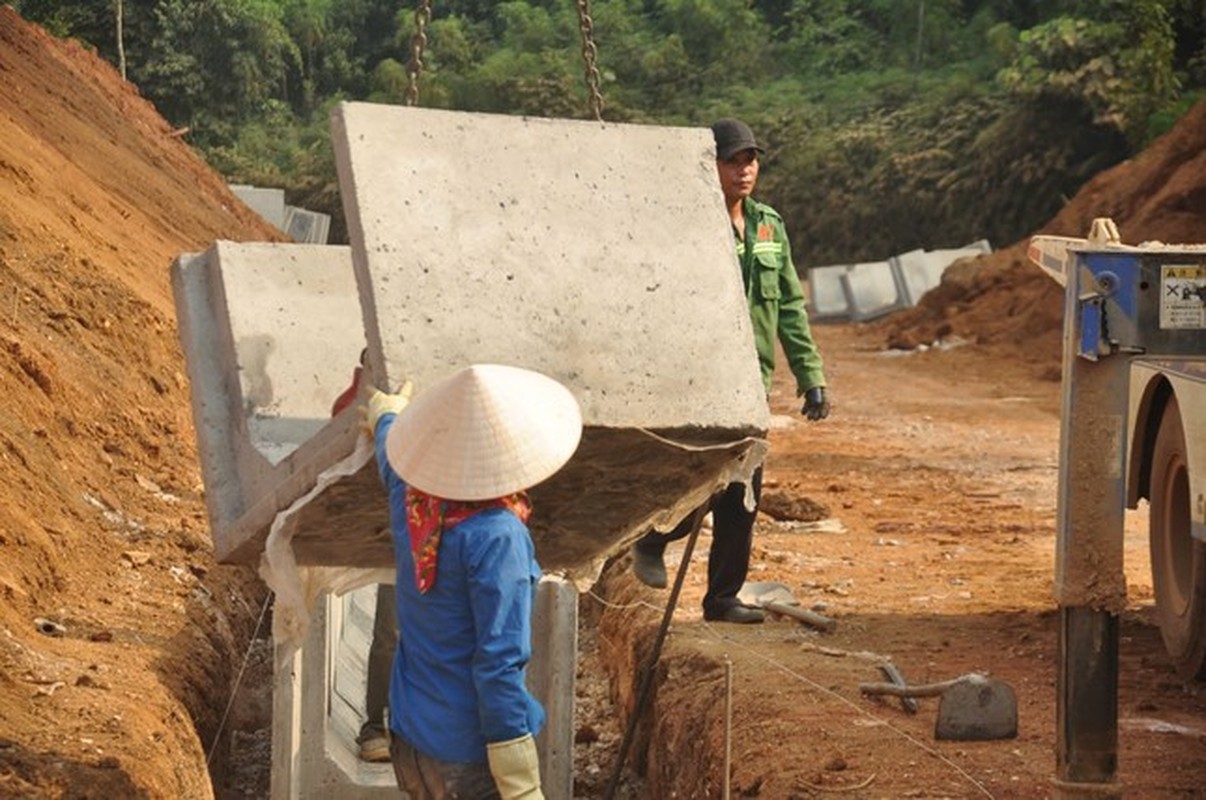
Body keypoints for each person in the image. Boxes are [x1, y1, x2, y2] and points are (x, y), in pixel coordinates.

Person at [630, 117, 830, 624]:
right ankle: (654, 538)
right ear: (710, 166)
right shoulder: (688, 227)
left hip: (751, 383)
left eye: (750, 160)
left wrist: (811, 376)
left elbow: (788, 306)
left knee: (744, 493)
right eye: (732, 160)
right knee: (711, 480)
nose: (744, 170)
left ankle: (721, 598)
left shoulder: (769, 226)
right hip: (699, 378)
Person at [362, 363, 583, 799]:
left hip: (411, 738)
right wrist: (521, 783)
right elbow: (499, 663)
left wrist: (387, 414)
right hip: (466, 755)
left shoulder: (413, 499)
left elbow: (391, 452)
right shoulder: (498, 536)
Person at [331, 349, 396, 763]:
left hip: (428, 529)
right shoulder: (357, 405)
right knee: (393, 631)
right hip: (393, 535)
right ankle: (377, 728)